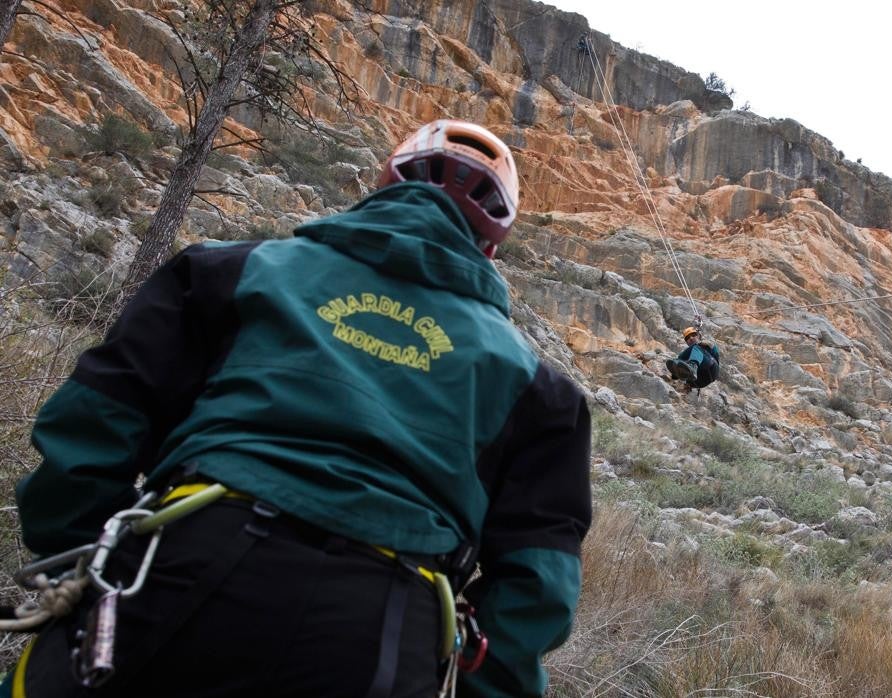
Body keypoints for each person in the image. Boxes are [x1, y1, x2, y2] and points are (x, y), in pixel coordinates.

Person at [4, 119, 592, 697]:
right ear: (490, 246)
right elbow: (538, 585)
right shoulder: (541, 388)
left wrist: (79, 559)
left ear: (383, 184)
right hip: (387, 629)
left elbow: (93, 420)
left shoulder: (230, 269)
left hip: (185, 556)